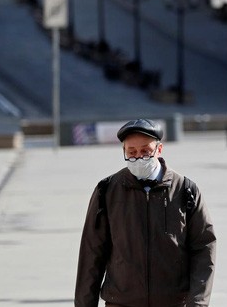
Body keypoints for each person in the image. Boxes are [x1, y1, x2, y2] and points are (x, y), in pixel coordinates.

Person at [75, 118, 216, 307]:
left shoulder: (185, 189)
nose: (138, 158)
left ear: (159, 149)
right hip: (121, 302)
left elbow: (204, 248)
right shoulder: (107, 191)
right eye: (131, 152)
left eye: (145, 151)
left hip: (173, 302)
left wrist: (197, 303)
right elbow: (92, 252)